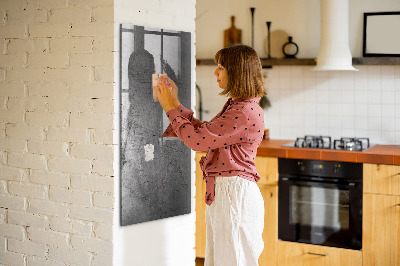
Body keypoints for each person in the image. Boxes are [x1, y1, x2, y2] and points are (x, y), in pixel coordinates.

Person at [153, 44, 267, 266]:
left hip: (234, 196)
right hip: (228, 194)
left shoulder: (243, 111)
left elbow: (197, 141)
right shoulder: (239, 106)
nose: (215, 72)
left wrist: (169, 108)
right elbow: (205, 133)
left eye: (221, 67)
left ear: (237, 71)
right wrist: (175, 103)